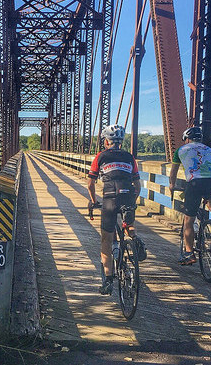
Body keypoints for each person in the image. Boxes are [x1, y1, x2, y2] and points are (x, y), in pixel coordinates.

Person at [87, 124, 146, 296]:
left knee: (106, 239)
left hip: (110, 198)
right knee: (128, 224)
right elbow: (137, 185)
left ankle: (108, 280)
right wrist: (132, 202)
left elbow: (90, 183)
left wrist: (93, 201)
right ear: (121, 142)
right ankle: (134, 238)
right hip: (128, 195)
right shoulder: (129, 157)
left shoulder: (101, 156)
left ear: (106, 141)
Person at [169, 126, 211, 265]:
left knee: (189, 220)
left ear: (187, 139)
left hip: (195, 183)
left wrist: (172, 185)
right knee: (210, 196)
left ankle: (189, 253)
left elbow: (173, 172)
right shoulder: (209, 150)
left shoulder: (181, 150)